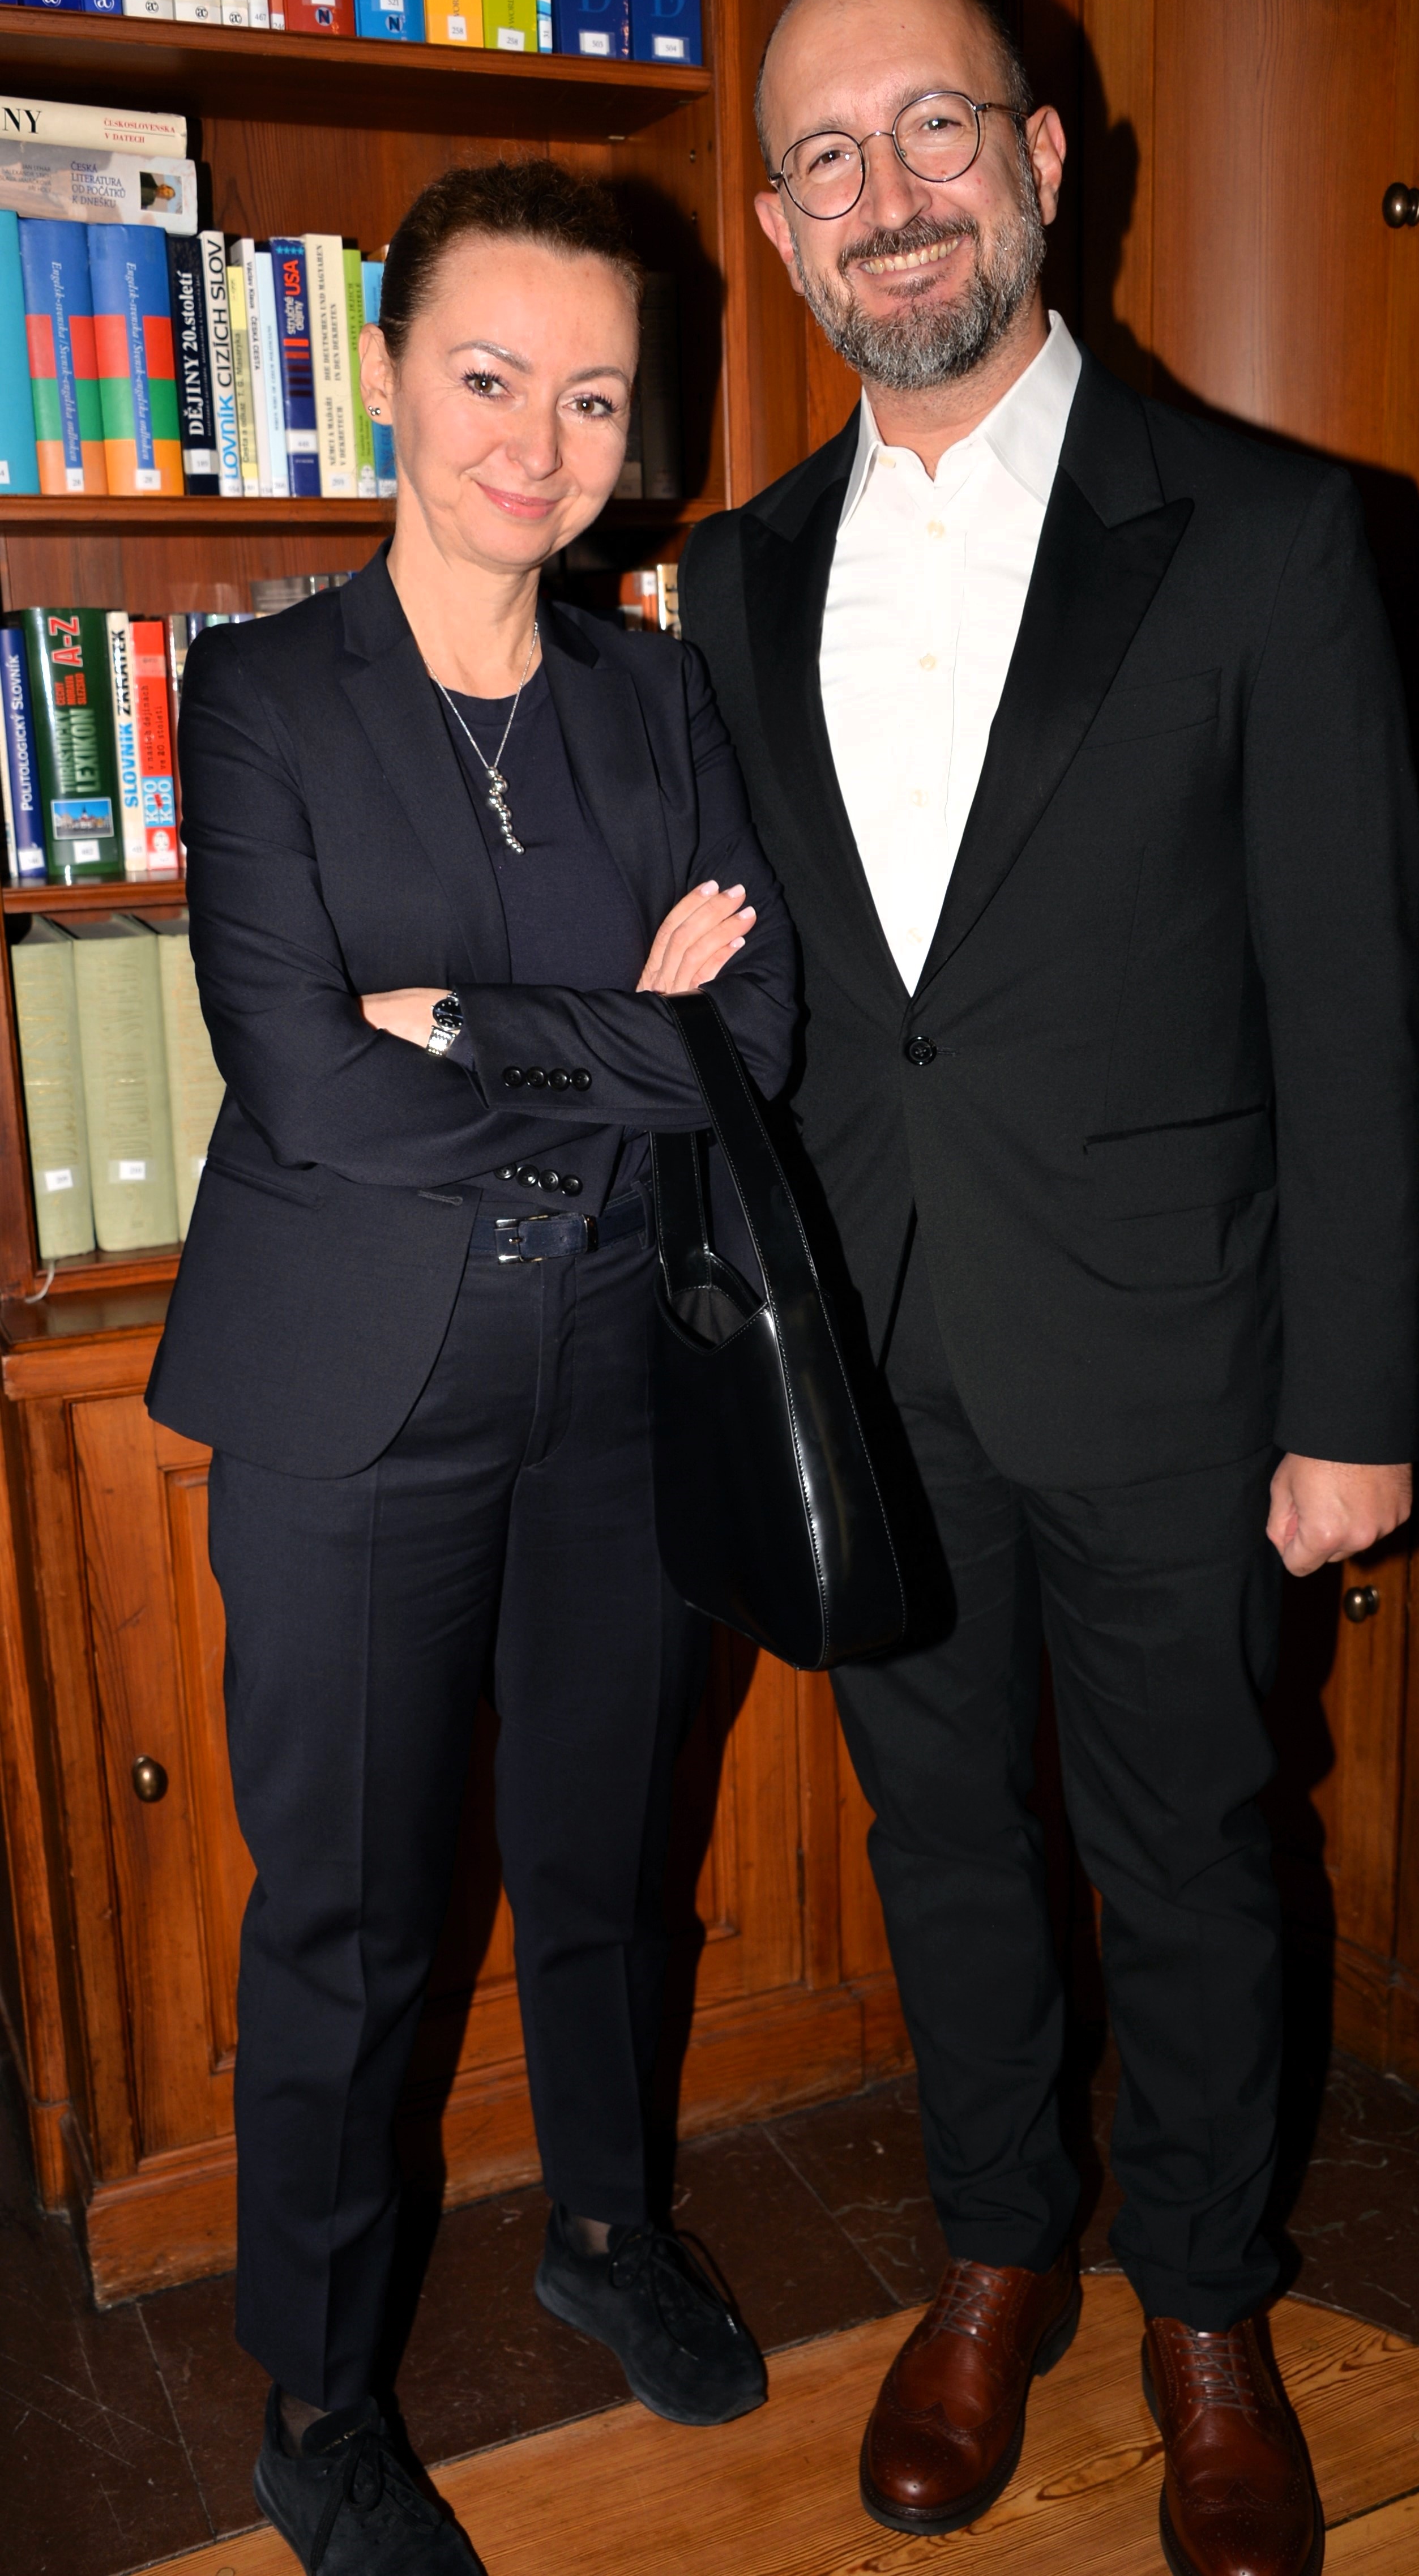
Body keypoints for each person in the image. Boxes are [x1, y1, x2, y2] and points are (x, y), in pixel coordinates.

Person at [679, 0, 1419, 2576]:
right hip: (871, 1370)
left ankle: (1208, 2306)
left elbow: (1361, 1005)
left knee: (1197, 1852)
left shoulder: (1278, 535)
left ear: (1041, 160)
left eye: (934, 130)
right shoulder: (729, 581)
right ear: (784, 233)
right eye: (829, 159)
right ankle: (997, 2249)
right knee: (943, 1846)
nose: (887, 195)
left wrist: (1355, 1400)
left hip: (1180, 1362)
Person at [147, 159, 794, 2576]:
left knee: (608, 1852)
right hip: (354, 1404)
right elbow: (307, 1087)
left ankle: (606, 2227)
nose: (538, 442)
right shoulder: (263, 693)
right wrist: (615, 1028)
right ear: (389, 374)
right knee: (351, 1918)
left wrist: (472, 1017)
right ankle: (320, 2401)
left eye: (594, 397)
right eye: (492, 376)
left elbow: (754, 1034)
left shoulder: (656, 693)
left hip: (621, 1371)